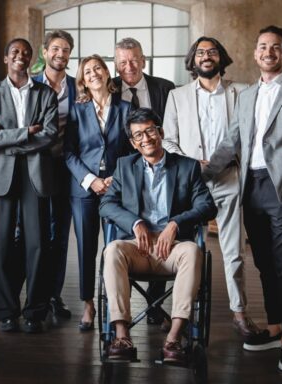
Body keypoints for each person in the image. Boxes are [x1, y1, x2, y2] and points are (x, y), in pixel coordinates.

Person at [204, 25, 282, 373]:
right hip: (250, 187)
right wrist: (203, 173)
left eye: (275, 47)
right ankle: (274, 326)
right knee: (265, 264)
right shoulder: (247, 94)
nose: (268, 52)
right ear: (255, 54)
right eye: (262, 47)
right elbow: (231, 142)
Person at [99, 108, 216, 364]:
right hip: (136, 248)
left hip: (172, 248)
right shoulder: (124, 166)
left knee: (193, 252)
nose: (146, 138)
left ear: (160, 132)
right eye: (138, 135)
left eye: (150, 131)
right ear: (132, 142)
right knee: (112, 250)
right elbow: (106, 205)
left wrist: (175, 223)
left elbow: (207, 206)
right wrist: (135, 223)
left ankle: (173, 338)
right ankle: (121, 336)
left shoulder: (187, 167)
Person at [162, 36, 257, 338]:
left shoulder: (241, 92)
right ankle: (184, 313)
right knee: (189, 249)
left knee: (234, 250)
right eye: (201, 52)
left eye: (212, 51)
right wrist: (192, 164)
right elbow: (168, 140)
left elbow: (250, 134)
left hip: (229, 178)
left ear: (221, 58)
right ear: (193, 60)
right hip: (192, 182)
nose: (206, 56)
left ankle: (239, 312)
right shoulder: (177, 96)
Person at [0, 38, 58, 334]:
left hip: (36, 176)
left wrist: (8, 139)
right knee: (0, 244)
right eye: (15, 52)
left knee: (37, 244)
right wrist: (26, 133)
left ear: (32, 59)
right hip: (3, 176)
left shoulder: (46, 94)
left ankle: (34, 310)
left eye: (26, 53)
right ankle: (5, 310)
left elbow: (49, 135)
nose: (21, 57)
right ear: (5, 58)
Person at [64, 54, 132, 331]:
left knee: (114, 248)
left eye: (98, 68)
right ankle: (89, 304)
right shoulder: (76, 110)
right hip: (84, 190)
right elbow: (68, 152)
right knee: (86, 248)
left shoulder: (126, 108)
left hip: (117, 189)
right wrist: (91, 180)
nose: (93, 73)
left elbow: (132, 150)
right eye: (87, 71)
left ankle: (114, 304)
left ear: (107, 73)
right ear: (82, 79)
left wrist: (115, 178)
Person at [113, 37, 176, 326]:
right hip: (125, 173)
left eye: (135, 59)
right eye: (123, 61)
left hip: (161, 169)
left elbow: (173, 128)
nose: (129, 66)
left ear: (144, 60)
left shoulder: (165, 88)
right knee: (128, 231)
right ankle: (121, 305)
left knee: (160, 223)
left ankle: (155, 303)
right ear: (116, 64)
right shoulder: (109, 89)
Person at [32, 30, 76, 320]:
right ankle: (31, 294)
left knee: (59, 234)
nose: (61, 54)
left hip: (66, 166)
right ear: (45, 52)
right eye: (56, 49)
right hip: (36, 166)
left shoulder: (77, 85)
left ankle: (53, 296)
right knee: (32, 233)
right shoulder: (30, 84)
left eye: (66, 50)